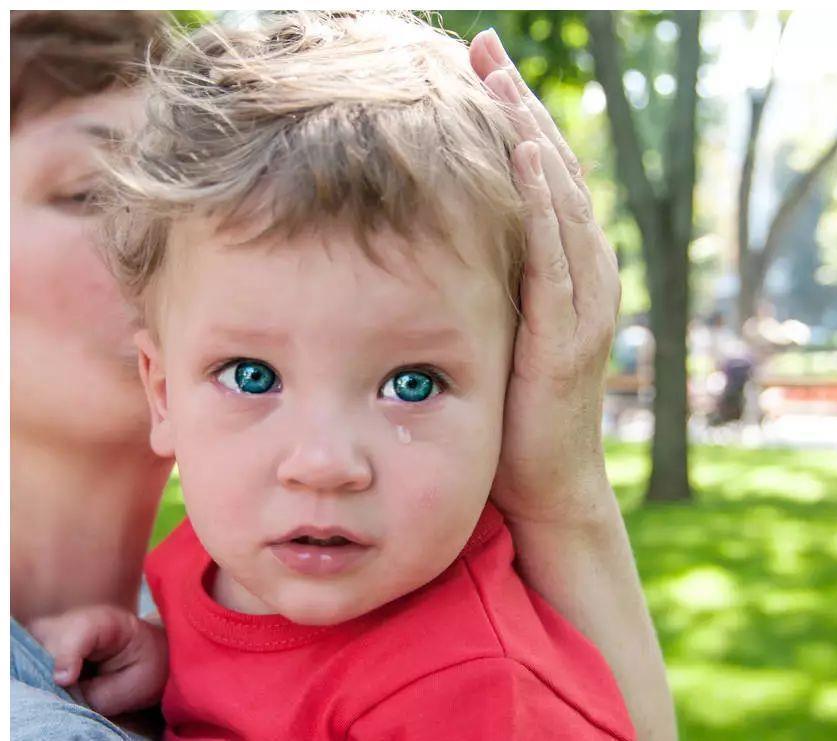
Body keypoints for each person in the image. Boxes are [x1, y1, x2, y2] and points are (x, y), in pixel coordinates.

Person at [11, 10, 676, 740]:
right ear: (161, 388)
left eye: (411, 384)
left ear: (517, 385)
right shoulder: (213, 564)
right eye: (253, 375)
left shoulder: (474, 698)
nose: (324, 463)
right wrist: (170, 664)